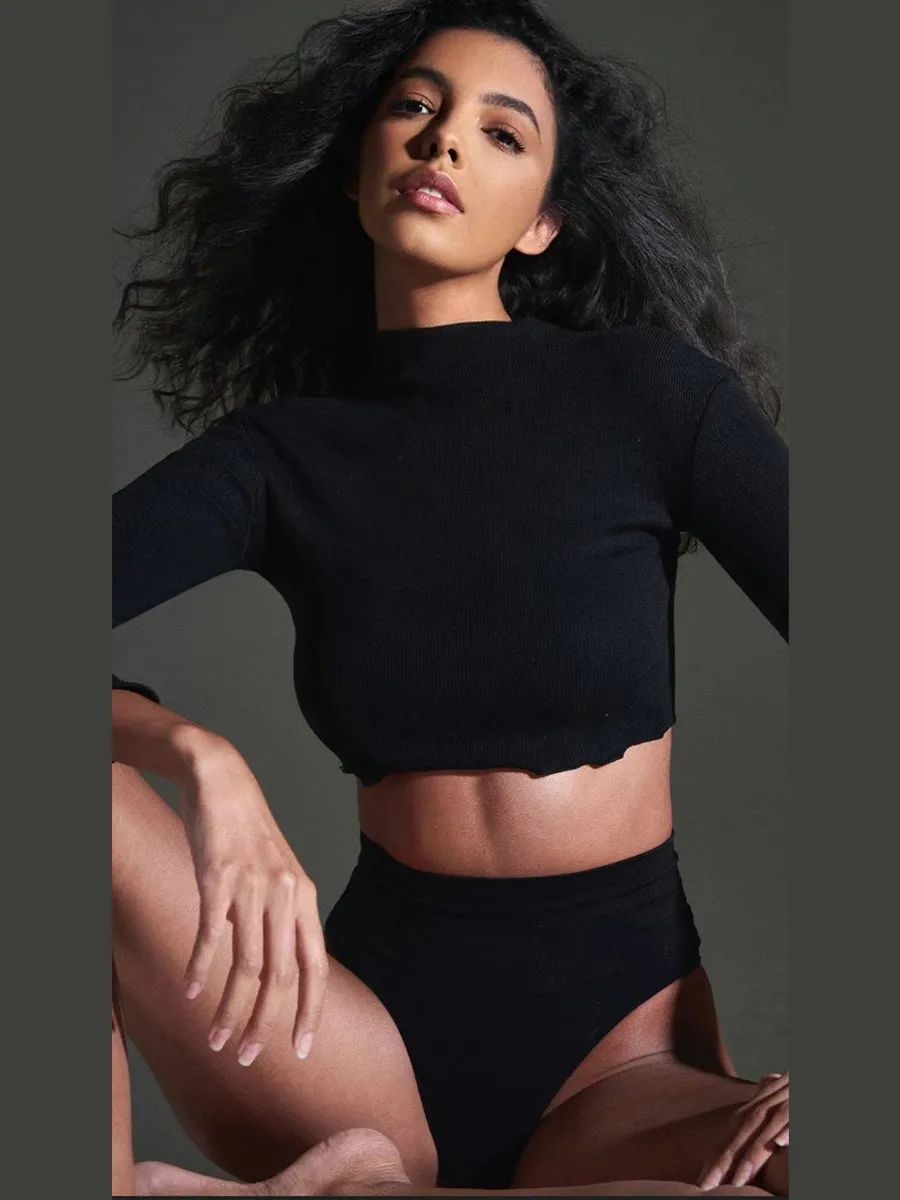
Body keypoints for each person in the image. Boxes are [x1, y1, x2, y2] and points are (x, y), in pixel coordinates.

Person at [111, 0, 789, 1195]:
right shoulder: (279, 459)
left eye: (501, 131)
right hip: (347, 1043)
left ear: (544, 222)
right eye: (414, 109)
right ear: (353, 170)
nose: (443, 141)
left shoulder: (649, 399)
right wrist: (192, 754)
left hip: (622, 1062)